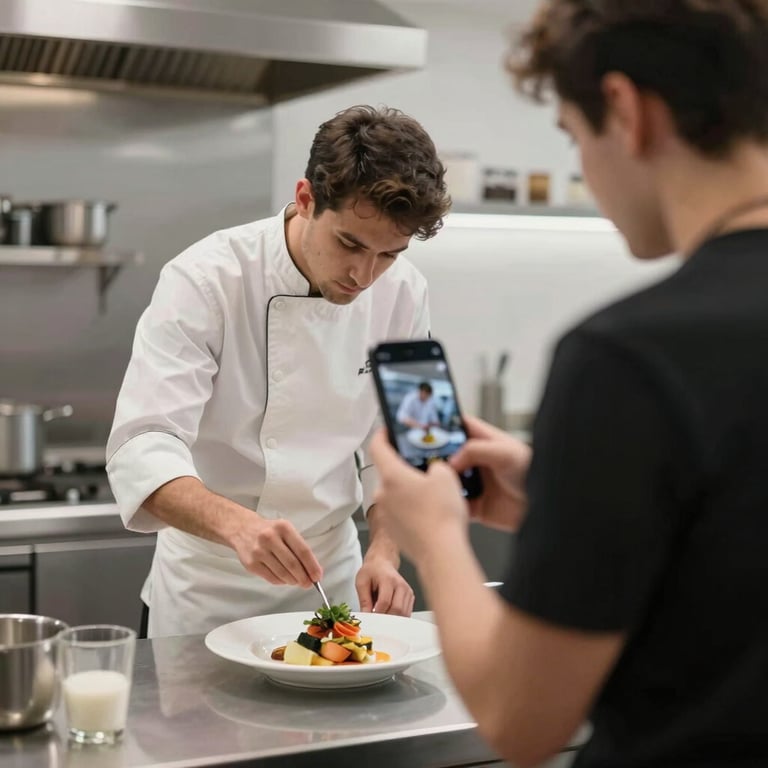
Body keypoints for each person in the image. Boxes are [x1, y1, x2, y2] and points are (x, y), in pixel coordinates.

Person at [371, 2, 768, 767]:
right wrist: (567, 500)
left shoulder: (628, 357)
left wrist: (435, 534)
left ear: (625, 110)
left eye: (573, 136)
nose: (585, 163)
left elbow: (523, 722)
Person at [106, 105, 450, 638]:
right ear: (306, 199)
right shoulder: (204, 279)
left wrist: (385, 551)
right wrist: (238, 526)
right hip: (207, 589)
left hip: (331, 584)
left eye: (388, 254)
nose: (364, 275)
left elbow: (415, 444)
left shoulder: (407, 292)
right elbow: (141, 445)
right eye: (350, 244)